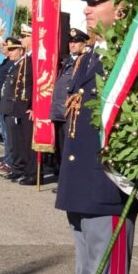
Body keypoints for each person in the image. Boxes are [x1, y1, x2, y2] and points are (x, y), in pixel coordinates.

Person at [55, 0, 138, 274]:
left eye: (96, 3)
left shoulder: (127, 58)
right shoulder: (90, 57)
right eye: (87, 3)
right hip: (81, 184)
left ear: (120, 10)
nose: (87, 10)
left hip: (108, 189)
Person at [50, 27, 89, 190]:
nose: (72, 45)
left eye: (76, 42)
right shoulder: (66, 61)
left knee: (69, 149)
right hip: (59, 110)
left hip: (70, 110)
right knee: (59, 147)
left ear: (83, 44)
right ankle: (61, 179)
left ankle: (68, 183)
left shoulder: (84, 61)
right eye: (71, 42)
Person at [0, 38, 34, 183]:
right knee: (13, 142)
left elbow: (29, 87)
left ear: (21, 50)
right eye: (9, 49)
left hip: (20, 108)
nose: (9, 52)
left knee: (22, 143)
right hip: (10, 107)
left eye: (13, 50)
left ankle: (26, 171)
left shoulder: (26, 64)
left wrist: (30, 106)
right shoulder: (15, 65)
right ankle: (17, 168)